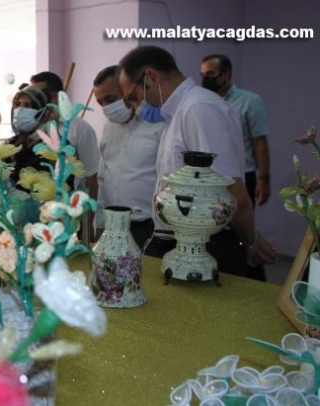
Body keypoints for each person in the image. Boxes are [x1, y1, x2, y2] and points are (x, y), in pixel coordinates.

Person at [117, 45, 277, 280]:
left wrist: (250, 241)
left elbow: (229, 190)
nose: (135, 105)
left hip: (206, 245)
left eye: (133, 96)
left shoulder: (200, 109)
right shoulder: (177, 113)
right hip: (179, 242)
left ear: (152, 76)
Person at [92, 65, 164, 248]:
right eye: (100, 102)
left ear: (130, 90)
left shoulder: (160, 125)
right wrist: (99, 224)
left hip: (150, 227)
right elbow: (103, 178)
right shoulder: (109, 127)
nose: (107, 107)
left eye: (111, 99)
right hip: (113, 226)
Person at [30, 71, 100, 236]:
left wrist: (88, 222)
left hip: (67, 216)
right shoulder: (33, 127)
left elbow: (92, 178)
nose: (34, 100)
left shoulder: (80, 129)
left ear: (56, 96)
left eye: (38, 95)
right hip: (35, 214)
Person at [201, 54, 271, 207]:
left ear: (227, 74)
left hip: (241, 176)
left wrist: (264, 179)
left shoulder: (250, 101)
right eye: (203, 74)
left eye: (211, 73)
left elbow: (260, 142)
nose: (206, 79)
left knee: (240, 220)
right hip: (209, 176)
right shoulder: (202, 102)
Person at [7, 85, 56, 184]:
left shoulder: (56, 148)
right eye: (17, 104)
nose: (20, 110)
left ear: (45, 113)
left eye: (27, 105)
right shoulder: (13, 142)